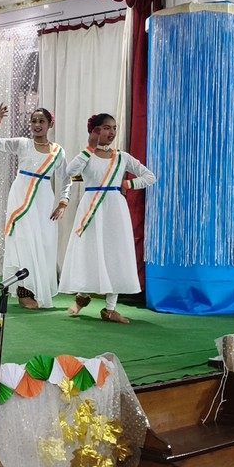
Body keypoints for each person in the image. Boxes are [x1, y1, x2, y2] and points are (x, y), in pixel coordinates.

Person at [60, 114, 156, 323]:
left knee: (115, 254)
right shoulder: (87, 155)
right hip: (91, 208)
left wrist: (129, 184)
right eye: (106, 127)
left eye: (114, 128)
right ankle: (82, 298)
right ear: (94, 130)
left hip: (114, 209)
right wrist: (89, 147)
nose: (111, 132)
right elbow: (70, 171)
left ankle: (110, 309)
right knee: (90, 252)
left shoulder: (122, 157)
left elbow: (150, 177)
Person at [0, 104, 71, 309]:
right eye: (33, 121)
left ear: (50, 124)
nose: (37, 125)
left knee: (43, 243)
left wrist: (63, 203)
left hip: (44, 199)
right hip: (21, 197)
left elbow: (66, 178)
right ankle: (23, 291)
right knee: (23, 241)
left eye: (41, 121)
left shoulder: (58, 151)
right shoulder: (23, 144)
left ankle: (37, 289)